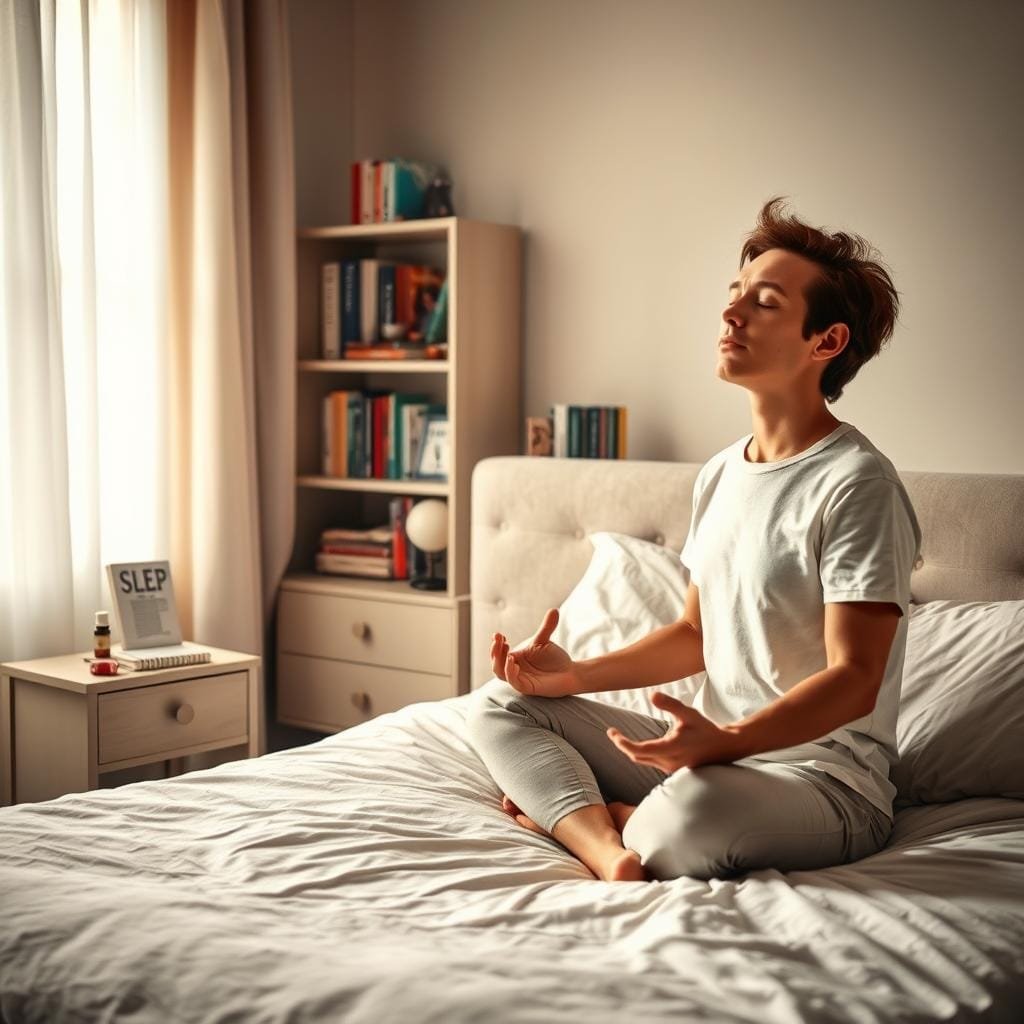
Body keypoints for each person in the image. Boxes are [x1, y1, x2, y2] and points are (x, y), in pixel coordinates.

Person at [465, 196, 923, 883]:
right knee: (501, 705)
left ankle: (585, 819)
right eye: (734, 294)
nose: (730, 314)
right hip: (714, 755)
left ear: (824, 342)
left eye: (764, 302)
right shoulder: (720, 474)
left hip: (821, 782)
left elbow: (854, 680)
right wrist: (574, 676)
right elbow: (694, 633)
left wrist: (729, 743)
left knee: (691, 818)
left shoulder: (858, 484)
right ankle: (609, 847)